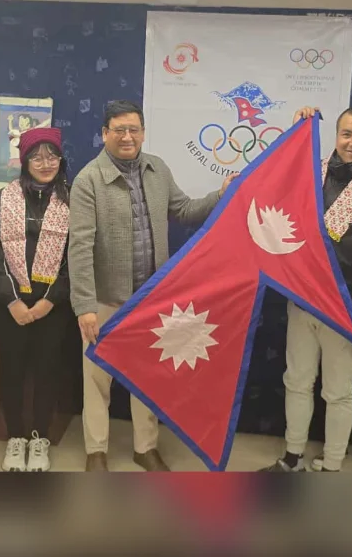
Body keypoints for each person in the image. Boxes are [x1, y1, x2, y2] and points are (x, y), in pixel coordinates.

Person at [69, 99, 233, 472]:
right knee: (97, 380)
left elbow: (185, 211)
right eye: (119, 130)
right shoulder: (88, 180)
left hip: (151, 299)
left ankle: (145, 448)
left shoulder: (157, 169)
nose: (127, 137)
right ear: (104, 134)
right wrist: (85, 306)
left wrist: (222, 194)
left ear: (143, 133)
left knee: (147, 379)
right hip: (105, 300)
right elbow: (79, 247)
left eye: (134, 129)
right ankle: (96, 450)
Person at [261, 107, 352, 473]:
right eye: (346, 134)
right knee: (296, 381)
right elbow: (279, 181)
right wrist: (299, 130)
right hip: (303, 300)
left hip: (347, 307)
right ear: (337, 137)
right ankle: (293, 457)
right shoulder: (314, 177)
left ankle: (332, 465)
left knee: (338, 391)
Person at [0, 126, 73, 472]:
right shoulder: (3, 199)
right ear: (25, 161)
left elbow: (78, 256)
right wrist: (12, 301)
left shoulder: (73, 200)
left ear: (61, 159)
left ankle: (40, 439)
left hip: (53, 305)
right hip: (11, 305)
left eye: (52, 156)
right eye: (37, 157)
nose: (45, 163)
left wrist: (50, 300)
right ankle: (16, 437)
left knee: (47, 372)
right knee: (13, 371)